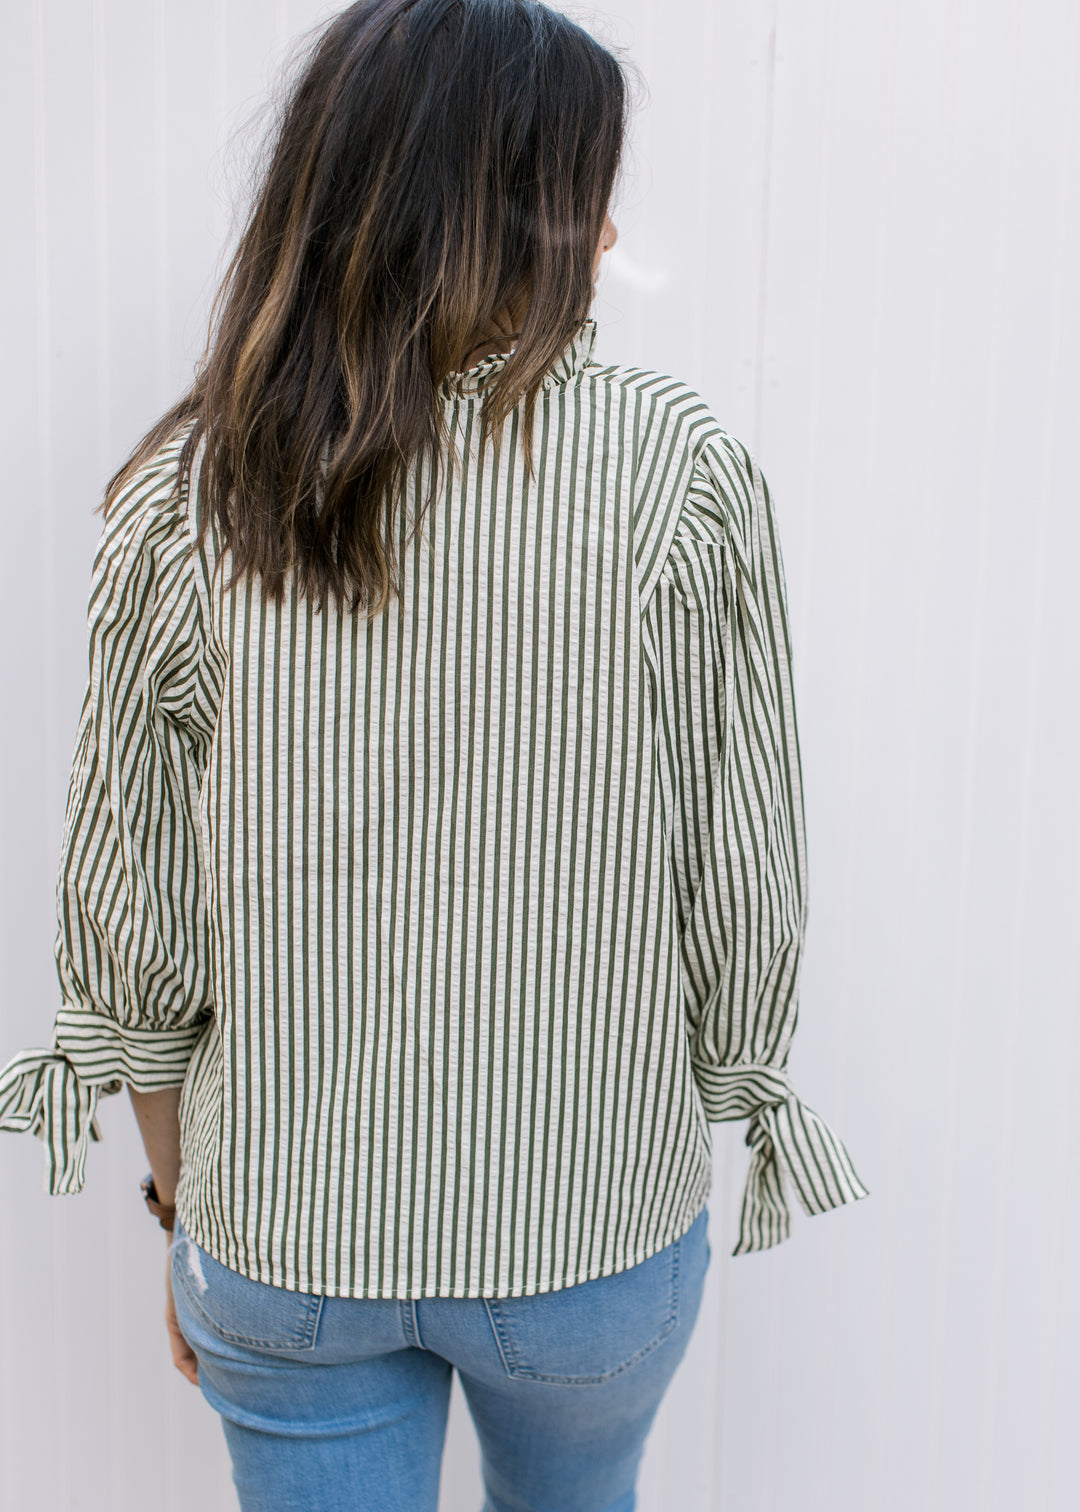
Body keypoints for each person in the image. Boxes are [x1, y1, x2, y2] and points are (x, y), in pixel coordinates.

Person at [0, 1, 869, 1508]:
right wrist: (723, 1078)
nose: (606, 230)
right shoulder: (683, 473)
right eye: (585, 185)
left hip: (285, 1244)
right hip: (589, 1235)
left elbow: (131, 938)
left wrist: (180, 1205)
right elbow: (749, 888)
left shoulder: (189, 496)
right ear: (510, 210)